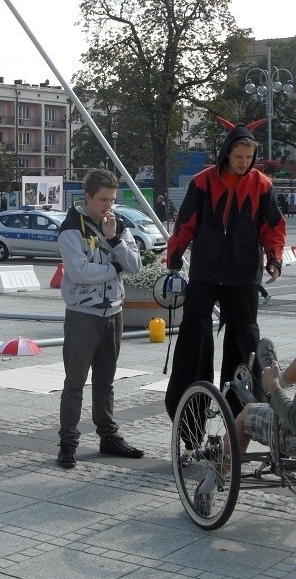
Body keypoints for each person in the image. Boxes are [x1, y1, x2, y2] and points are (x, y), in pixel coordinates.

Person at [165, 118, 286, 422]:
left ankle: (241, 417)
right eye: (238, 157)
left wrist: (274, 258)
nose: (244, 163)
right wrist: (175, 256)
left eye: (249, 157)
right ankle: (188, 413)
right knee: (195, 335)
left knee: (244, 340)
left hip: (243, 275)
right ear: (226, 154)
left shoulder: (262, 185)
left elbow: (272, 228)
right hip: (205, 273)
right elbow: (186, 222)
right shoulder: (203, 182)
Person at [56, 168, 144, 469]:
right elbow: (79, 271)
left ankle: (108, 436)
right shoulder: (71, 227)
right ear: (88, 197)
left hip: (114, 312)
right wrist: (114, 269)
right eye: (103, 200)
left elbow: (135, 265)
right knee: (75, 383)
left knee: (105, 381)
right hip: (83, 314)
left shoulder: (117, 225)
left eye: (113, 199)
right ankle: (67, 443)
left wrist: (114, 237)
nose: (109, 206)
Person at [194, 338, 296, 515]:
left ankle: (206, 490)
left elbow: (293, 420)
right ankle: (275, 378)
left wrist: (274, 388)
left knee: (246, 413)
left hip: (291, 435)